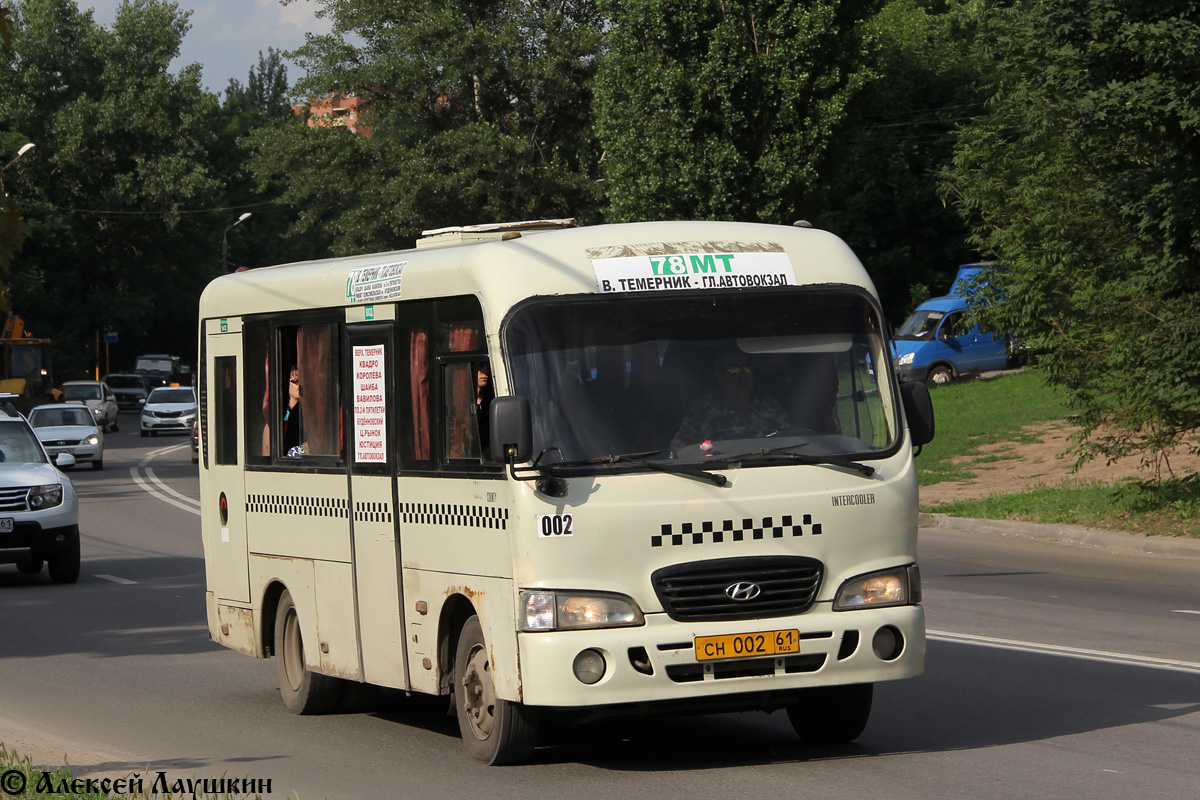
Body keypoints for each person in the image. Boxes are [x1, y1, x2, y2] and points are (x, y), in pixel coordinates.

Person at [668, 349, 788, 455]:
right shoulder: (702, 411)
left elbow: (789, 445)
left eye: (746, 367)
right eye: (733, 368)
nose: (743, 374)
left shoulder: (772, 407)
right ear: (719, 375)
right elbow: (677, 451)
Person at [282, 365, 304, 456]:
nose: (299, 385)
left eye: (302, 382)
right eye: (295, 381)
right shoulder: (280, 410)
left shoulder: (305, 412)